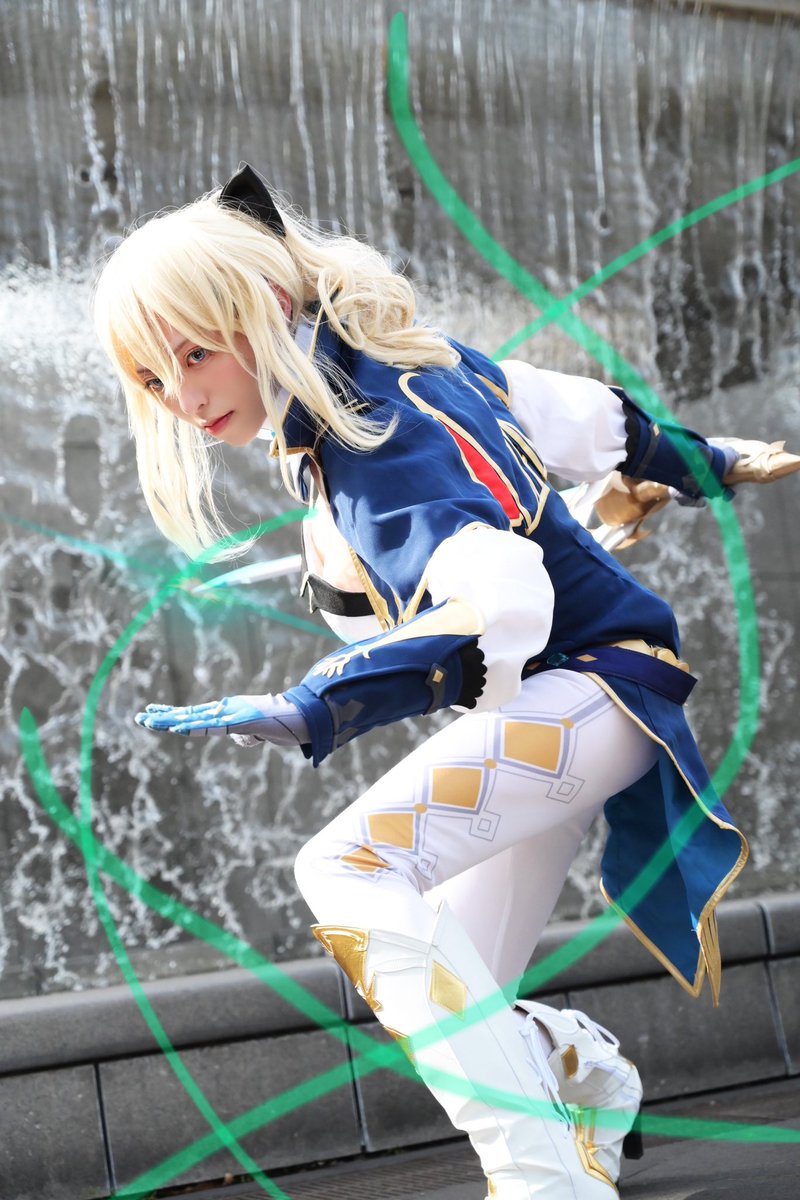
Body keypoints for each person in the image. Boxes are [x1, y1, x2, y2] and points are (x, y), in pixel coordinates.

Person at [93, 164, 797, 1200]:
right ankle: (580, 1069)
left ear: (268, 303)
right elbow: (576, 419)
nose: (185, 399)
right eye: (156, 381)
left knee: (345, 869)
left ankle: (543, 1177)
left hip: (585, 693)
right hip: (571, 700)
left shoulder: (365, 439)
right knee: (451, 987)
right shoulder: (401, 373)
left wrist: (316, 704)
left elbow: (499, 591)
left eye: (195, 354)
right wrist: (701, 461)